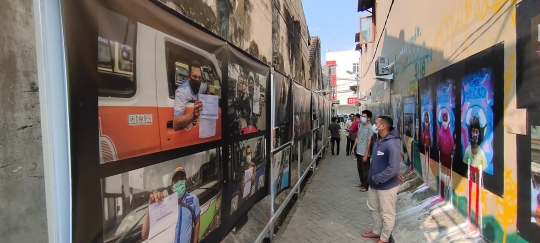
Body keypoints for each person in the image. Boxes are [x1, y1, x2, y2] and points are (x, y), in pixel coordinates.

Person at [361, 116, 401, 243]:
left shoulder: (392, 144)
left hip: (386, 186)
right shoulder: (378, 139)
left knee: (387, 213)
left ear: (383, 126)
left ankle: (384, 238)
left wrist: (378, 178)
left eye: (376, 123)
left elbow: (393, 167)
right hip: (374, 184)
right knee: (373, 207)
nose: (374, 125)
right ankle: (376, 232)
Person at [142, 167, 200, 243]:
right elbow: (144, 235)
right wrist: (151, 207)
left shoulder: (193, 199)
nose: (179, 183)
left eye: (181, 179)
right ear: (171, 186)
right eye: (176, 181)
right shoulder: (165, 203)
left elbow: (197, 223)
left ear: (185, 180)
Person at [173, 61, 211, 131]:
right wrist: (193, 114)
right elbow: (175, 124)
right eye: (194, 76)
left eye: (199, 78)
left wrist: (207, 100)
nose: (197, 80)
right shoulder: (182, 91)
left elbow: (207, 87)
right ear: (189, 77)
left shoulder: (202, 86)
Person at [351, 110, 373, 192]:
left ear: (368, 118)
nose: (362, 118)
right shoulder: (360, 125)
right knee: (360, 168)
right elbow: (357, 137)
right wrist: (353, 148)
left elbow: (369, 141)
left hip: (364, 152)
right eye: (362, 116)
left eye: (364, 116)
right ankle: (362, 182)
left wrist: (366, 154)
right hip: (358, 151)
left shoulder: (370, 128)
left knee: (365, 170)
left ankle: (366, 186)